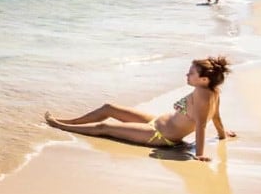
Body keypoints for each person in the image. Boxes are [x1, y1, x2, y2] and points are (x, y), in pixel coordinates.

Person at [44, 57, 237, 161]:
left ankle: (62, 126)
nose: (187, 74)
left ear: (204, 79)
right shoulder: (212, 91)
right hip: (156, 122)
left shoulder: (203, 97)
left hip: (159, 136)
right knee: (109, 107)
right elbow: (217, 117)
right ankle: (69, 120)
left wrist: (199, 154)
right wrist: (222, 135)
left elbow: (202, 126)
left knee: (105, 126)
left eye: (191, 73)